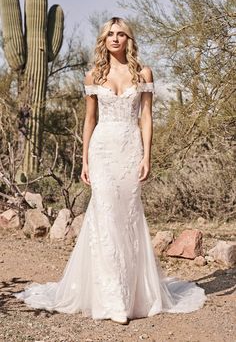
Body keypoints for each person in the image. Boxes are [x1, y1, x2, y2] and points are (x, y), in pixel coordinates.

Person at [13, 17, 207, 325]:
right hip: (101, 151)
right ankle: (111, 297)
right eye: (110, 34)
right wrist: (85, 161)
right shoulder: (94, 74)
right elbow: (90, 120)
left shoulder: (143, 73)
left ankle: (133, 294)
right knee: (103, 217)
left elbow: (146, 116)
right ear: (104, 40)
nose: (115, 38)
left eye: (121, 34)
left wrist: (147, 155)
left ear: (129, 39)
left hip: (130, 149)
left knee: (127, 217)